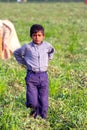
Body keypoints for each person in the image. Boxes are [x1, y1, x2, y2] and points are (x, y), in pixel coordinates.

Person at [14, 24, 55, 119]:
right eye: (34, 35)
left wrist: (49, 58)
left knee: (43, 100)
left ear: (43, 36)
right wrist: (25, 63)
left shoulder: (47, 46)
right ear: (31, 36)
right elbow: (16, 53)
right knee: (33, 101)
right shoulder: (27, 47)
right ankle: (33, 114)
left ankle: (43, 118)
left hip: (43, 76)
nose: (37, 37)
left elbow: (52, 51)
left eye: (39, 35)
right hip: (32, 76)